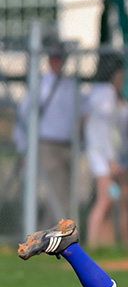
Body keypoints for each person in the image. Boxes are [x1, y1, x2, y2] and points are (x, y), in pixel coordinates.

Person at [14, 42, 86, 227]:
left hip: (69, 145)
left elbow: (82, 113)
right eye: (53, 58)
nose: (57, 62)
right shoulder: (40, 85)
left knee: (65, 195)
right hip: (47, 145)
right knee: (59, 195)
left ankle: (47, 237)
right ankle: (56, 238)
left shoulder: (71, 85)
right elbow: (23, 118)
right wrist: (24, 148)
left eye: (59, 58)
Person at [84, 52, 128, 249]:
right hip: (102, 156)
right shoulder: (106, 94)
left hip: (104, 154)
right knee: (105, 200)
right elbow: (104, 130)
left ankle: (106, 244)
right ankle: (92, 243)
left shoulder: (97, 92)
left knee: (113, 199)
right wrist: (111, 160)